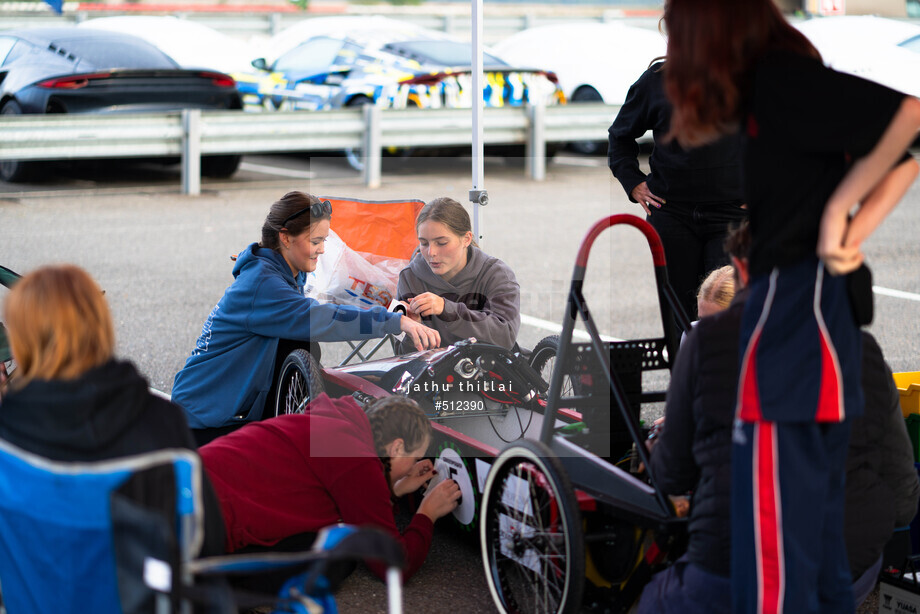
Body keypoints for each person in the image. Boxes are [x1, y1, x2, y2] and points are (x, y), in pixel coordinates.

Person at [664, 2, 920, 612]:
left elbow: (907, 120)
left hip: (794, 320)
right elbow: (900, 147)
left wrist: (841, 225)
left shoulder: (779, 80)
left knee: (777, 548)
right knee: (810, 544)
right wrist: (845, 228)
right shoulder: (773, 85)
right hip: (805, 317)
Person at [638, 224, 920, 612]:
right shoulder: (862, 348)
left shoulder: (709, 343)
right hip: (848, 564)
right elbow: (904, 492)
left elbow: (672, 475)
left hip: (742, 563)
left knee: (653, 598)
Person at [172, 191, 440, 444]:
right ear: (285, 237)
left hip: (220, 405)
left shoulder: (279, 268)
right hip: (202, 419)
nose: (322, 249)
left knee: (301, 343)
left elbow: (339, 298)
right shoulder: (262, 284)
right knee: (304, 341)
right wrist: (394, 322)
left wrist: (398, 310)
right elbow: (324, 318)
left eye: (324, 240)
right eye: (315, 241)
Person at [0, 264, 225, 557]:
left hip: (33, 597)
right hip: (136, 596)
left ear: (20, 344)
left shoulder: (9, 432)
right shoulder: (161, 421)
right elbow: (205, 539)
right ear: (102, 328)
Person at [198, 393, 461, 581]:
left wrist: (394, 488)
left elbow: (335, 488)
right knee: (338, 560)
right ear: (397, 447)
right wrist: (427, 513)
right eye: (413, 457)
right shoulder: (358, 464)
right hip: (203, 523)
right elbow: (393, 565)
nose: (415, 463)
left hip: (189, 474)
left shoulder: (338, 420)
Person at [608, 59, 747, 322]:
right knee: (678, 316)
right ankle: (681, 363)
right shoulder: (656, 80)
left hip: (731, 219)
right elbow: (619, 136)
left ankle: (726, 364)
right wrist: (633, 181)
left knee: (726, 311)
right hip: (671, 216)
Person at [396, 197, 520, 351]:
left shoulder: (497, 274)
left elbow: (505, 337)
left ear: (467, 239)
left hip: (489, 369)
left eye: (442, 243)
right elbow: (401, 355)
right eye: (424, 243)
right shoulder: (409, 277)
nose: (431, 252)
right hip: (433, 372)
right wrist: (413, 329)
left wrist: (448, 310)